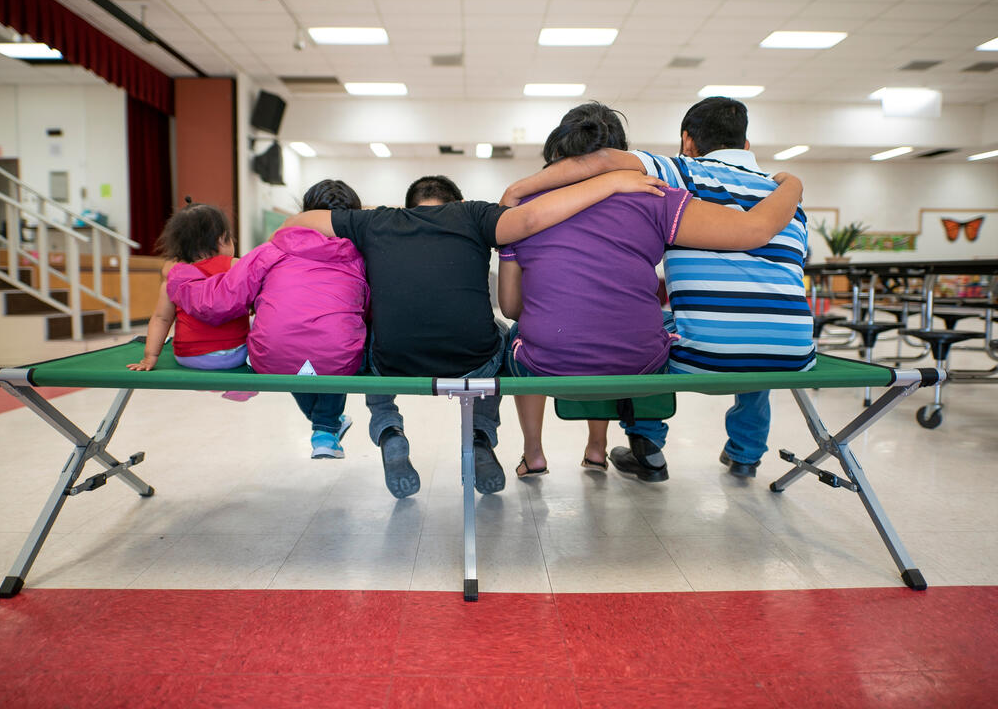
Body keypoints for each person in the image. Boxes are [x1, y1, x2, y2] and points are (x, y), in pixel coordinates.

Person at [282, 170, 666, 499]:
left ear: (408, 206)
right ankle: (481, 436)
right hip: (471, 359)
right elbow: (531, 219)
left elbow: (295, 223)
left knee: (372, 339)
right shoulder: (474, 214)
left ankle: (388, 428)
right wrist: (613, 181)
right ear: (459, 201)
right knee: (502, 337)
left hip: (395, 362)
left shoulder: (377, 222)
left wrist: (373, 214)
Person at [502, 97, 814, 480]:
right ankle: (732, 452)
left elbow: (513, 306)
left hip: (569, 359)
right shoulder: (670, 193)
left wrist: (516, 193)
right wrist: (794, 183)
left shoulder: (673, 175)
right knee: (667, 328)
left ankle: (594, 447)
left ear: (687, 140)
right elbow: (752, 230)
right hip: (776, 350)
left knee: (634, 329)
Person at [166, 180, 370, 459]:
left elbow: (218, 301)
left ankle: (327, 425)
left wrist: (180, 278)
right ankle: (325, 427)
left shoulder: (271, 250)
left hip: (272, 358)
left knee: (291, 351)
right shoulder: (361, 257)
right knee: (332, 345)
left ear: (304, 212)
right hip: (337, 357)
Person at [127, 201, 255, 402]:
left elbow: (161, 319)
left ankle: (211, 384)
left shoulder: (174, 279)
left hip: (188, 357)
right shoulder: (236, 266)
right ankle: (246, 385)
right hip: (234, 356)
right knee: (257, 324)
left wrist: (150, 357)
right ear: (222, 240)